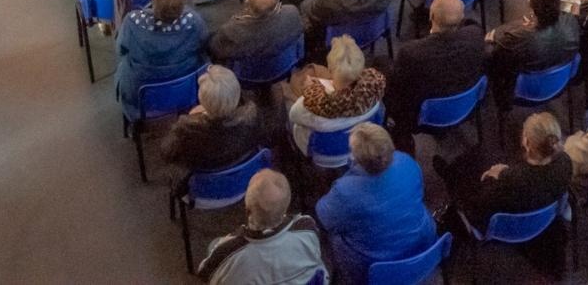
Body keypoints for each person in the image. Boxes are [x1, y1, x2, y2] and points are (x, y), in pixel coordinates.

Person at [315, 123, 438, 285]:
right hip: (425, 249)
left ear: (356, 157)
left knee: (335, 235)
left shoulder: (345, 190)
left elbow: (324, 217)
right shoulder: (407, 162)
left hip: (374, 269)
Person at [436, 111, 572, 244]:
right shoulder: (566, 163)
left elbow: (478, 207)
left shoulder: (510, 182)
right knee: (485, 154)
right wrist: (504, 173)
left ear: (527, 144)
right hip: (542, 216)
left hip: (503, 224)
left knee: (465, 173)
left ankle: (449, 173)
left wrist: (493, 177)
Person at [385, 0, 486, 145]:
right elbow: (471, 25)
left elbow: (398, 90)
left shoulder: (411, 53)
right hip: (467, 105)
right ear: (461, 18)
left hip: (423, 118)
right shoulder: (476, 36)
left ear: (431, 16)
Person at [196, 168, 326, 285]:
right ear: (286, 207)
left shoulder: (227, 252)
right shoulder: (307, 228)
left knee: (213, 244)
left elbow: (204, 274)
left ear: (247, 210)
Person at [114, 0, 208, 121]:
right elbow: (203, 46)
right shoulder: (194, 22)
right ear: (182, 5)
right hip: (185, 93)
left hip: (141, 99)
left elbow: (120, 50)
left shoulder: (132, 21)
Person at [484, 0, 582, 109]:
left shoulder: (516, 39)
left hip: (524, 91)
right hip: (559, 84)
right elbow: (573, 15)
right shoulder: (572, 23)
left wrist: (491, 38)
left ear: (533, 9)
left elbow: (496, 56)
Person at [287, 34, 388, 155]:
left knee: (287, 103)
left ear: (330, 69)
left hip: (323, 154)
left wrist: (311, 89)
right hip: (358, 147)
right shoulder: (375, 95)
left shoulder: (309, 104)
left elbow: (293, 116)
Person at [158, 65, 264, 178]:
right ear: (237, 94)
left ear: (202, 99)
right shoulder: (253, 118)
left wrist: (195, 117)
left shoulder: (186, 130)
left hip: (203, 187)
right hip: (241, 179)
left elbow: (166, 153)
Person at [208, 0, 304, 64]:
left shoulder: (232, 30)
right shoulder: (292, 12)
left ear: (247, 3)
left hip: (248, 78)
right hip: (285, 65)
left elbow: (216, 49)